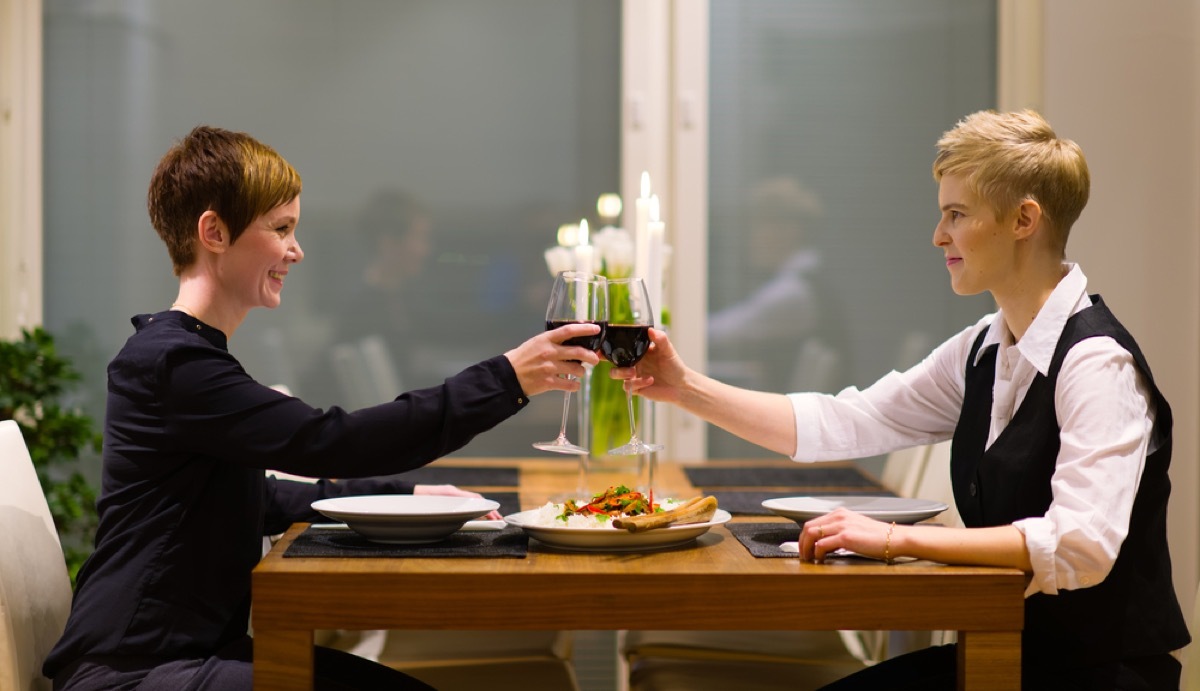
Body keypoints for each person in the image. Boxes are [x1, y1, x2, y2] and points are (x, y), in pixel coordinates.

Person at [613, 110, 1189, 689]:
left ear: (1024, 219)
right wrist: (683, 388)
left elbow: (1079, 544)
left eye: (956, 215)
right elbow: (845, 421)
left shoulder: (1096, 362)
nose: (939, 235)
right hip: (1006, 653)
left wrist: (892, 539)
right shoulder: (983, 347)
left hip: (1096, 673)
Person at [42, 125, 601, 690]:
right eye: (281, 228)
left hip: (186, 656)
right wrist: (507, 378)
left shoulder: (189, 358)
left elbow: (261, 496)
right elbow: (332, 442)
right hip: (133, 673)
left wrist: (407, 498)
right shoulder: (174, 365)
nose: (296, 250)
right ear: (213, 231)